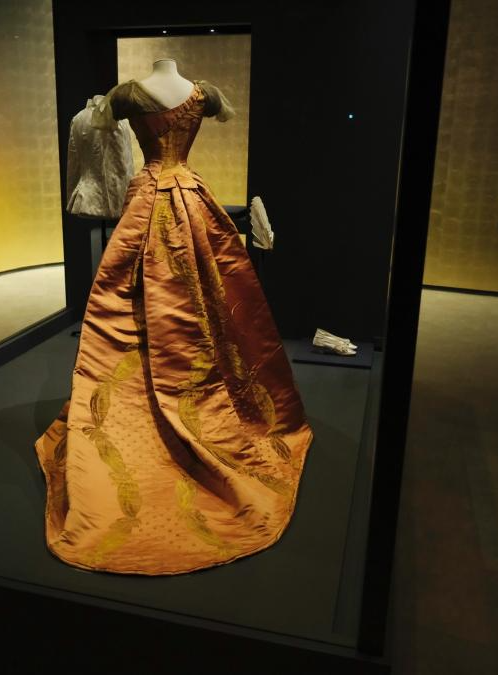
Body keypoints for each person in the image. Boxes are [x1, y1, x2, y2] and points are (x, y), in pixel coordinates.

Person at [34, 60, 313, 574]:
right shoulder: (170, 94)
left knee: (190, 301)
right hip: (184, 195)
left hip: (153, 196)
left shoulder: (150, 95)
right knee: (175, 299)